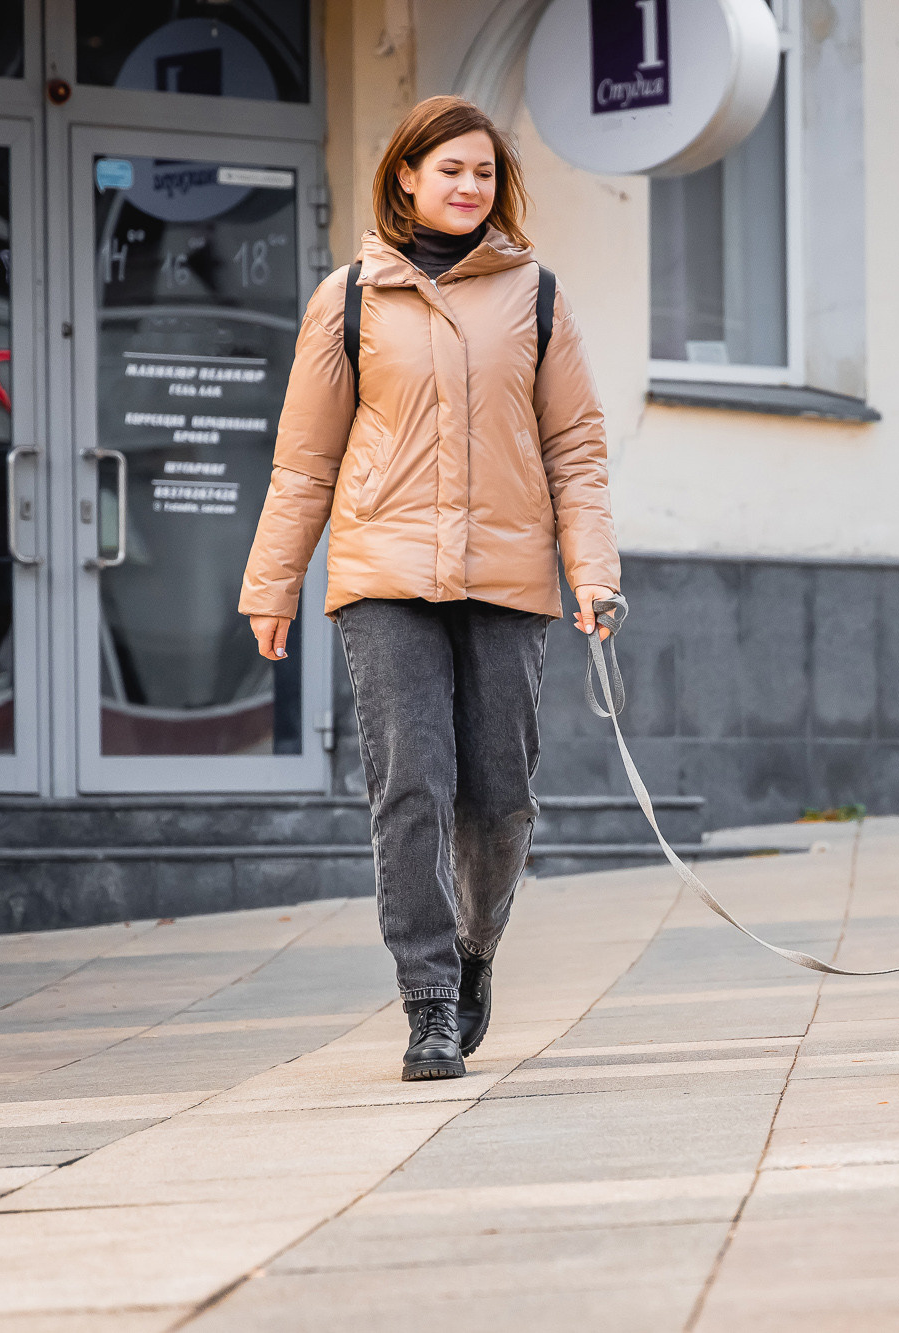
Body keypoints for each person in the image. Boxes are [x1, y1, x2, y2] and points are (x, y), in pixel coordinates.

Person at [239, 96, 619, 1081]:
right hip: (385, 577)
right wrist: (273, 581)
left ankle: (473, 946)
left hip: (506, 577)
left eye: (484, 173)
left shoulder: (535, 295)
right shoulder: (350, 299)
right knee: (410, 786)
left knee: (499, 794)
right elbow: (303, 459)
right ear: (404, 175)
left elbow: (574, 447)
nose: (468, 187)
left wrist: (594, 573)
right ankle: (427, 1005)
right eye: (449, 169)